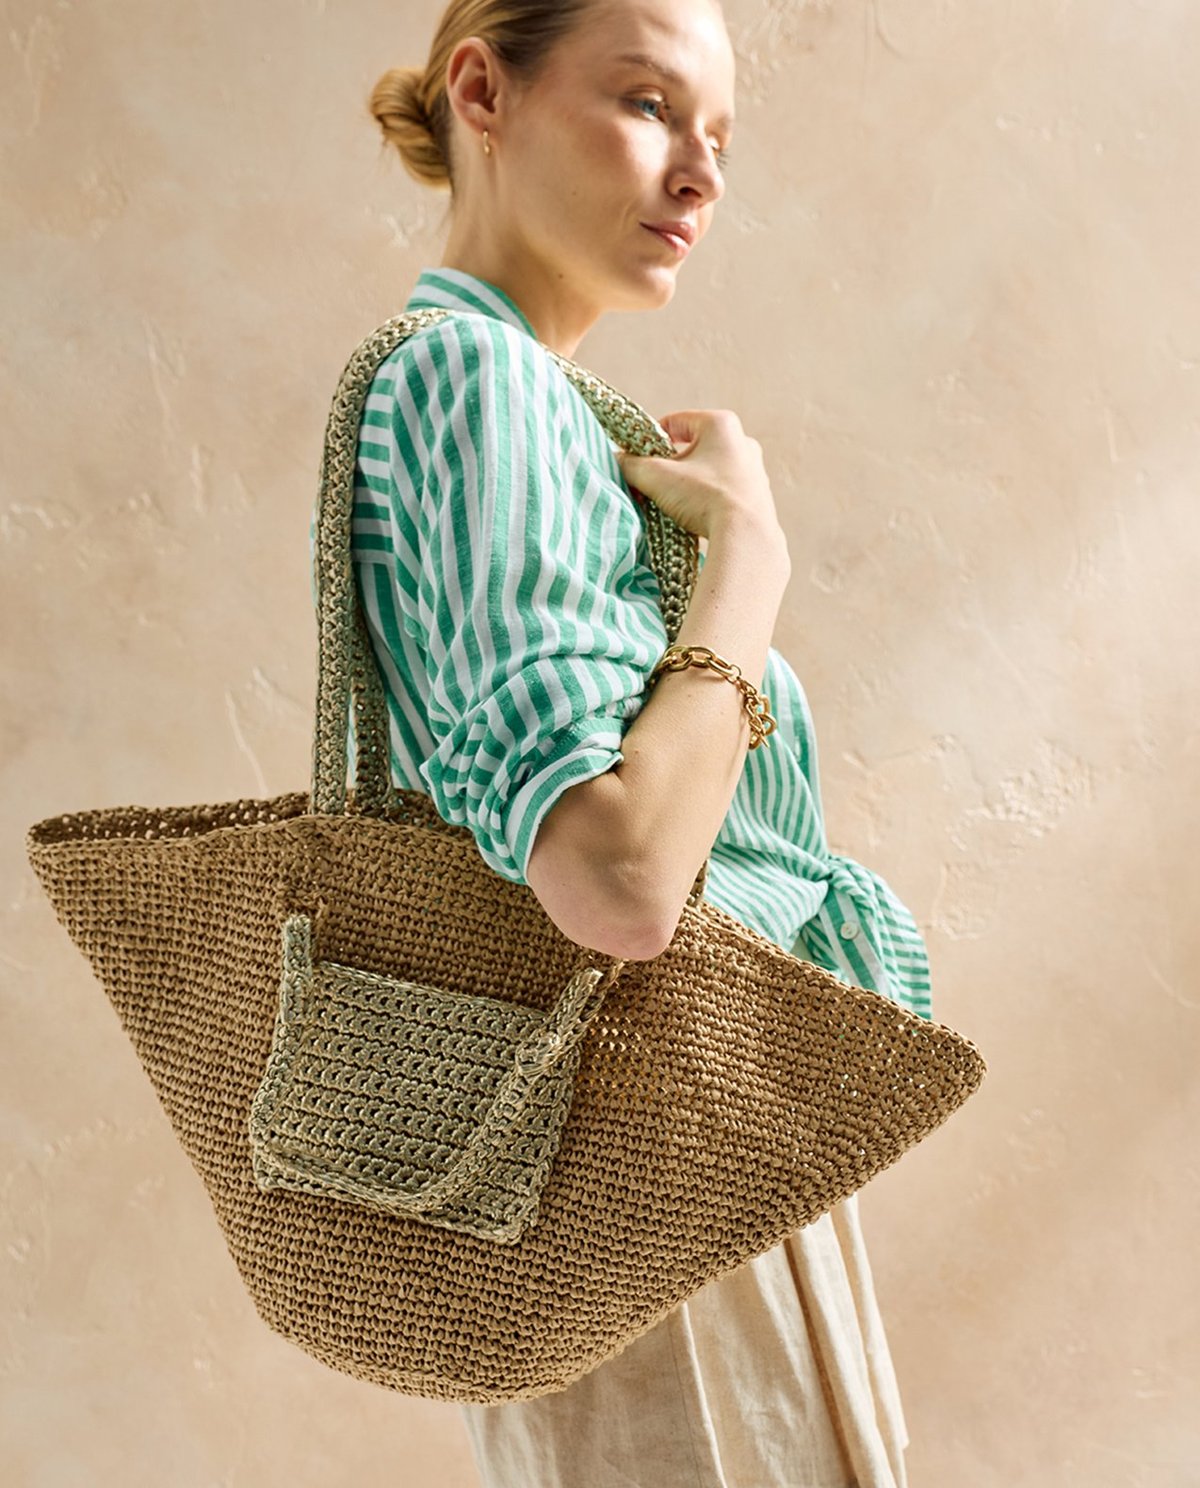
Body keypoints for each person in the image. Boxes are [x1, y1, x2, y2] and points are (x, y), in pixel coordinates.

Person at [338, 1, 933, 1482]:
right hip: (645, 1202)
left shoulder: (549, 421)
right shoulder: (471, 384)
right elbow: (618, 879)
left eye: (718, 137)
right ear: (484, 89)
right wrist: (750, 554)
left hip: (683, 1175)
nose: (701, 173)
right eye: (651, 106)